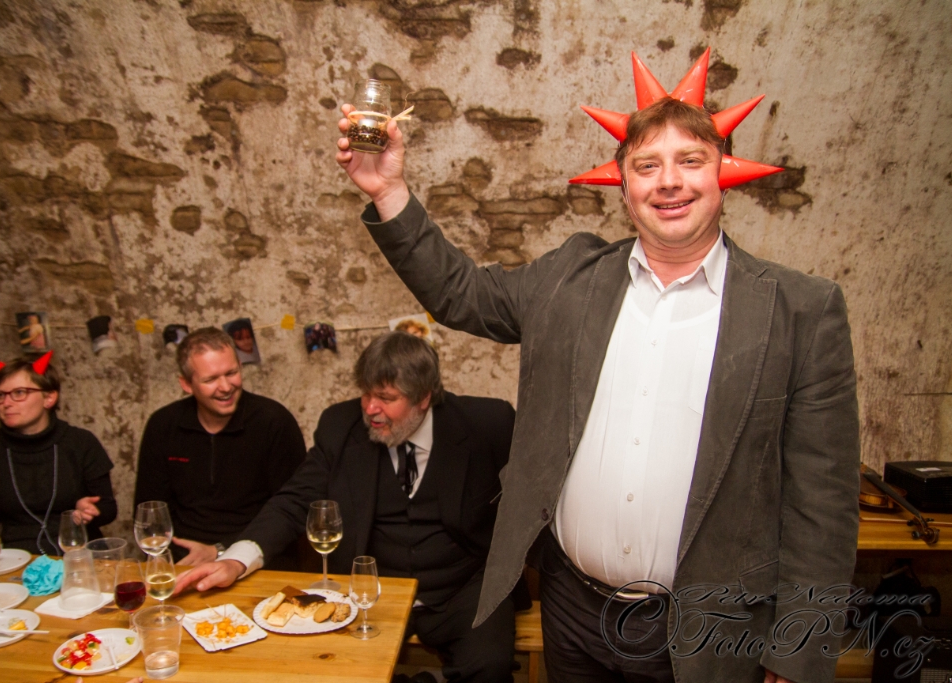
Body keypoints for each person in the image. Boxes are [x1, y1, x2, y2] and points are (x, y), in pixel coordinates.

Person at [331, 58, 860, 683]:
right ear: (623, 185)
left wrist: (800, 652)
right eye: (647, 165)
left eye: (690, 160)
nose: (669, 181)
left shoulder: (800, 311)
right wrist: (388, 192)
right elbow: (460, 294)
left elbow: (823, 504)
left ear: (724, 172)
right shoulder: (569, 280)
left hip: (709, 631)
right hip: (573, 612)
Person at [175, 332, 519, 683]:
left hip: (462, 591)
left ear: (424, 397)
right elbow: (293, 500)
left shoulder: (487, 423)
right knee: (329, 671)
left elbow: (535, 491)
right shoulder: (339, 426)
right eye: (366, 393)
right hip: (371, 593)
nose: (370, 408)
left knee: (489, 666)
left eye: (386, 398)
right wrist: (236, 559)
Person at [133, 327, 305, 567]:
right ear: (186, 384)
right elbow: (150, 512)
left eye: (231, 373)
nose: (225, 387)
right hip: (184, 559)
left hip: (257, 556)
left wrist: (220, 550)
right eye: (211, 379)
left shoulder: (274, 421)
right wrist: (170, 560)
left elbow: (292, 509)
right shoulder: (163, 425)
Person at [0, 352, 117, 555]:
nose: (6, 403)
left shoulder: (81, 442)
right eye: (0, 395)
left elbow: (108, 509)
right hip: (14, 558)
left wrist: (89, 511)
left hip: (76, 554)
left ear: (49, 398)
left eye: (19, 393)